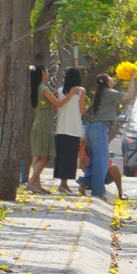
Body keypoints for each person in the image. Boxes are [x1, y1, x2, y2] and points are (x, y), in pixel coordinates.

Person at [82, 69, 136, 199]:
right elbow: (130, 94)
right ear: (106, 82)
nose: (112, 79)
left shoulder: (100, 93)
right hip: (99, 128)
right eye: (109, 77)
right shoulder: (109, 92)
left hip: (90, 127)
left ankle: (84, 182)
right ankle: (98, 191)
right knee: (102, 161)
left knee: (94, 159)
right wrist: (132, 78)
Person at [50, 67, 86, 195]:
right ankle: (64, 185)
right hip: (74, 128)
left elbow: (55, 109)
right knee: (70, 157)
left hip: (61, 128)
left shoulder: (60, 91)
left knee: (61, 157)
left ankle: (63, 183)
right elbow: (82, 110)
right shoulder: (80, 91)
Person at [27, 66, 55, 194]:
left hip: (38, 124)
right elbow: (58, 103)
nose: (48, 73)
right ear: (43, 72)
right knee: (44, 157)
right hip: (44, 125)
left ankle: (36, 185)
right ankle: (31, 182)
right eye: (47, 71)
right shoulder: (44, 89)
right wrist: (72, 93)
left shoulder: (37, 88)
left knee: (38, 155)